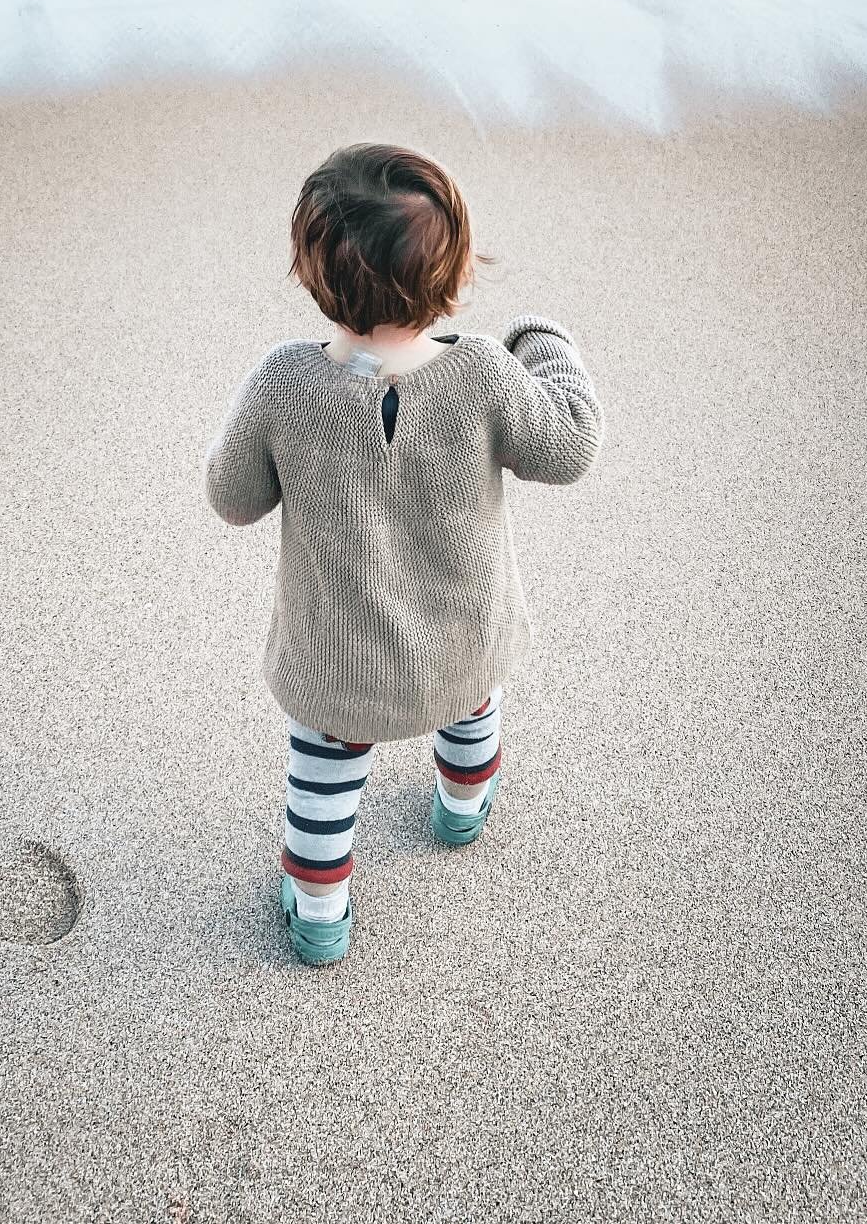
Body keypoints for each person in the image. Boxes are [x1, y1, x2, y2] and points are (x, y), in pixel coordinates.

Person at [203, 141, 604, 965]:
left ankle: (319, 915)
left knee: (321, 783)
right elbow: (571, 444)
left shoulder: (283, 385)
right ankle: (460, 810)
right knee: (472, 716)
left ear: (313, 278)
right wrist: (541, 338)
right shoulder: (487, 374)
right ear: (453, 279)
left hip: (338, 668)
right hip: (462, 646)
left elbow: (232, 498)